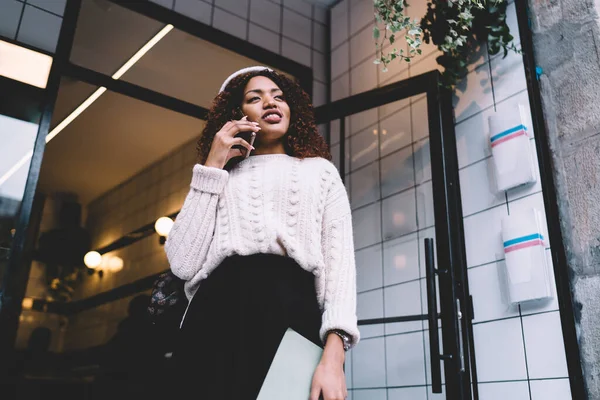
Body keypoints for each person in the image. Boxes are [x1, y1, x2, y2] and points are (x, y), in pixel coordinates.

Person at [165, 66, 359, 400]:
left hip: (291, 316)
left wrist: (335, 353)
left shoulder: (320, 173)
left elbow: (340, 269)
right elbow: (182, 263)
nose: (270, 102)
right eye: (255, 98)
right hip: (214, 317)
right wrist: (212, 167)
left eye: (278, 96)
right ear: (236, 117)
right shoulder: (219, 177)